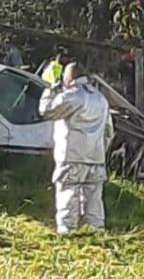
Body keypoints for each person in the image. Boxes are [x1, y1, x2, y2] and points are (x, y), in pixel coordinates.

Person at [39, 63, 114, 234]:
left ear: (70, 76)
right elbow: (109, 131)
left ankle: (67, 232)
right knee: (94, 199)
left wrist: (50, 88)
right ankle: (97, 231)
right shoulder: (101, 99)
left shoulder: (73, 96)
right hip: (96, 156)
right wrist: (102, 150)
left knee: (68, 194)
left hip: (72, 155)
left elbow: (47, 111)